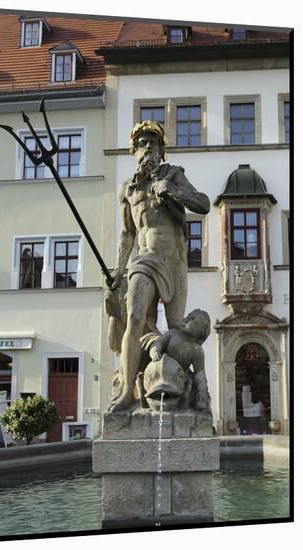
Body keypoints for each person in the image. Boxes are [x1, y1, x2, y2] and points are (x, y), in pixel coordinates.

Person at [108, 120, 210, 411]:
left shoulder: (174, 175)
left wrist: (173, 191)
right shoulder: (127, 189)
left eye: (153, 142)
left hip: (174, 261)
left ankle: (185, 386)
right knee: (135, 318)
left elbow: (202, 204)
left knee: (179, 327)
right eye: (142, 142)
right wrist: (118, 270)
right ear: (134, 151)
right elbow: (128, 233)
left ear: (162, 150)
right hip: (144, 260)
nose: (148, 147)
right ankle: (128, 390)